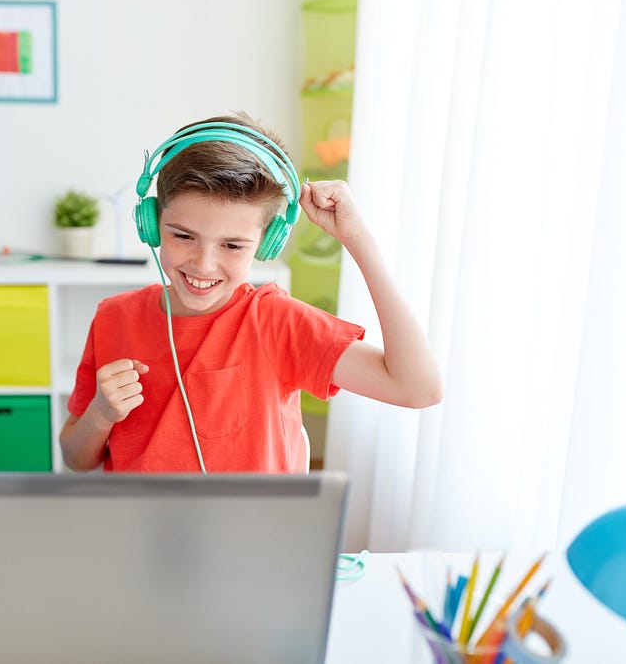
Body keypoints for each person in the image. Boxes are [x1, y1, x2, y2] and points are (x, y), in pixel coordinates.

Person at [60, 113, 442, 473]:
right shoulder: (114, 317)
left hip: (251, 541)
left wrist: (357, 239)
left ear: (266, 243)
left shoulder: (276, 322)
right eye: (183, 236)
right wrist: (101, 414)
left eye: (232, 246)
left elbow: (418, 389)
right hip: (141, 537)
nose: (204, 264)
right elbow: (77, 459)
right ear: (151, 222)